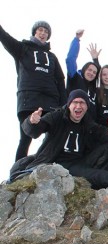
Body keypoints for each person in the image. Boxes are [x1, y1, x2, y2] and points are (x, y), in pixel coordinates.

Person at [9, 89, 108, 201]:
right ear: (69, 105)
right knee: (105, 177)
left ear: (86, 107)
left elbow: (103, 135)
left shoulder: (87, 123)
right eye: (75, 102)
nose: (79, 106)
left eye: (83, 103)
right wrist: (31, 121)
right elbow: (34, 131)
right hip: (54, 163)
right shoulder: (57, 117)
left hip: (77, 165)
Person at [0, 21, 67, 161]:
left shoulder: (52, 57)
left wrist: (63, 105)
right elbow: (5, 38)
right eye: (40, 30)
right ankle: (16, 173)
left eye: (46, 32)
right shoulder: (23, 49)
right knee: (25, 139)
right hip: (28, 99)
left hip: (51, 101)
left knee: (55, 135)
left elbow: (60, 80)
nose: (43, 33)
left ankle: (47, 164)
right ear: (35, 32)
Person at [65, 29, 101, 116]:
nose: (91, 73)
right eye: (89, 70)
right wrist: (76, 39)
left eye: (94, 72)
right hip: (73, 119)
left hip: (90, 124)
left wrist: (95, 59)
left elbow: (99, 74)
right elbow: (70, 59)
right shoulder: (75, 77)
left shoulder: (93, 87)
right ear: (84, 69)